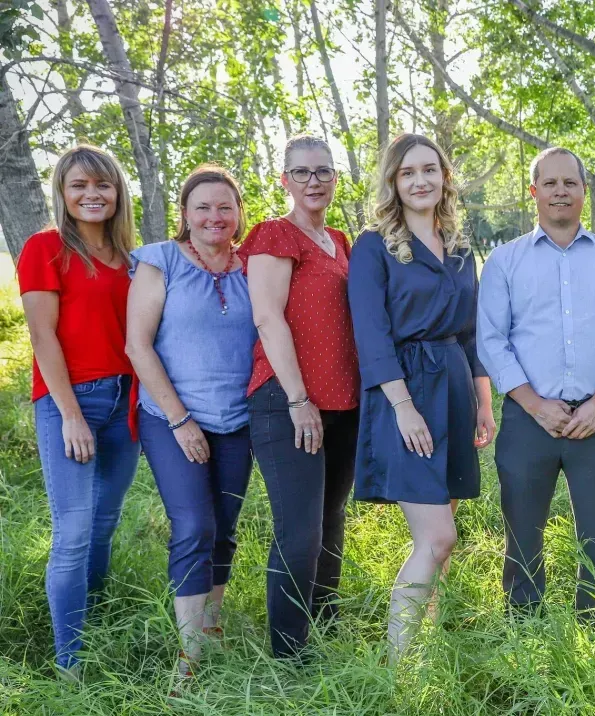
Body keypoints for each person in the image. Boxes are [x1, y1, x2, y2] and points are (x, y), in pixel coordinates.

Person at [477, 147, 595, 617]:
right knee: (522, 533)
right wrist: (534, 404)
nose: (559, 191)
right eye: (549, 183)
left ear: (584, 192)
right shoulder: (505, 262)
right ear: (533, 192)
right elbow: (491, 340)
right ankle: (525, 628)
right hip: (529, 419)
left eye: (569, 183)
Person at [348, 134, 494, 659]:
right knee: (438, 537)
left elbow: (472, 331)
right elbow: (371, 332)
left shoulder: (458, 246)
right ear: (393, 182)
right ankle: (398, 663)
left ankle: (430, 647)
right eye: (408, 173)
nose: (420, 181)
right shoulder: (373, 246)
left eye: (429, 170)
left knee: (445, 528)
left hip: (454, 382)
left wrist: (483, 398)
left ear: (444, 177)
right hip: (404, 391)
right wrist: (403, 407)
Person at [125, 165, 258, 680]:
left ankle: (210, 626)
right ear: (184, 213)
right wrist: (180, 420)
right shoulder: (161, 262)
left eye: (225, 206)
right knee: (194, 525)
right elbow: (138, 345)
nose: (214, 216)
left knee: (224, 531)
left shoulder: (253, 266)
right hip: (171, 417)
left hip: (237, 420)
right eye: (202, 206)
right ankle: (189, 657)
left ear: (239, 212)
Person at [16, 145, 140, 677]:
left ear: (118, 193)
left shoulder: (132, 259)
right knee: (73, 532)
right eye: (79, 187)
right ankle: (71, 664)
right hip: (73, 402)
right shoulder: (45, 247)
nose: (92, 195)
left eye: (103, 185)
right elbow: (43, 336)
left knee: (105, 523)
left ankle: (95, 622)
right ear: (63, 194)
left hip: (126, 404)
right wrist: (69, 414)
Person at [240, 135, 360, 658]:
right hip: (287, 404)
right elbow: (267, 317)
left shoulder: (340, 239)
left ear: (336, 180)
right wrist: (296, 398)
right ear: (283, 180)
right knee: (299, 530)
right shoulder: (273, 235)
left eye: (324, 172)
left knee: (331, 519)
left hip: (344, 404)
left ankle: (324, 626)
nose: (314, 181)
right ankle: (290, 655)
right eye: (303, 172)